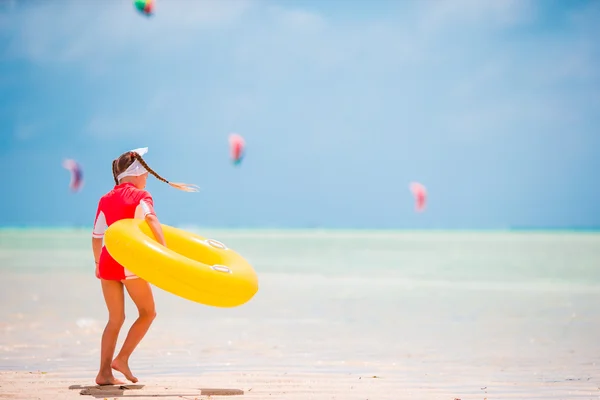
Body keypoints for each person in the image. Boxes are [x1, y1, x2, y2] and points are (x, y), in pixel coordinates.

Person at [91, 147, 198, 385]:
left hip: (109, 261)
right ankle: (122, 359)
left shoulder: (105, 199)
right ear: (137, 173)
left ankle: (104, 373)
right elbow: (151, 219)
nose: (147, 178)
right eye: (145, 174)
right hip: (131, 262)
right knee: (148, 313)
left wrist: (98, 264)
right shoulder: (141, 196)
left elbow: (97, 236)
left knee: (114, 319)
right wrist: (164, 251)